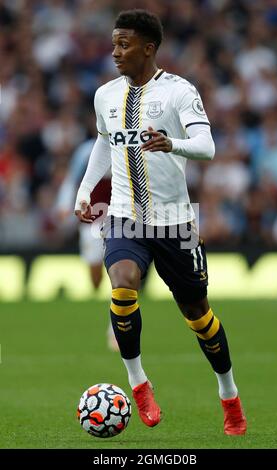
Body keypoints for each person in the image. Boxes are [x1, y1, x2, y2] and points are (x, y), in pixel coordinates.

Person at [75, 9, 247, 435]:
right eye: (114, 42)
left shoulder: (178, 92)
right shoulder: (105, 95)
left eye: (124, 44)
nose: (115, 51)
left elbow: (206, 146)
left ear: (148, 48)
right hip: (124, 217)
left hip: (174, 223)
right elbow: (103, 140)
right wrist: (84, 188)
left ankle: (229, 395)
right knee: (123, 282)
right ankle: (139, 383)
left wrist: (173, 143)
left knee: (198, 315)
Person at [56, 138, 119, 352]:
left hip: (120, 219)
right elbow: (73, 178)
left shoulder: (130, 144)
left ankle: (115, 328)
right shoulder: (86, 150)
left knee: (119, 275)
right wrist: (65, 204)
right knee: (95, 276)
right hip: (92, 222)